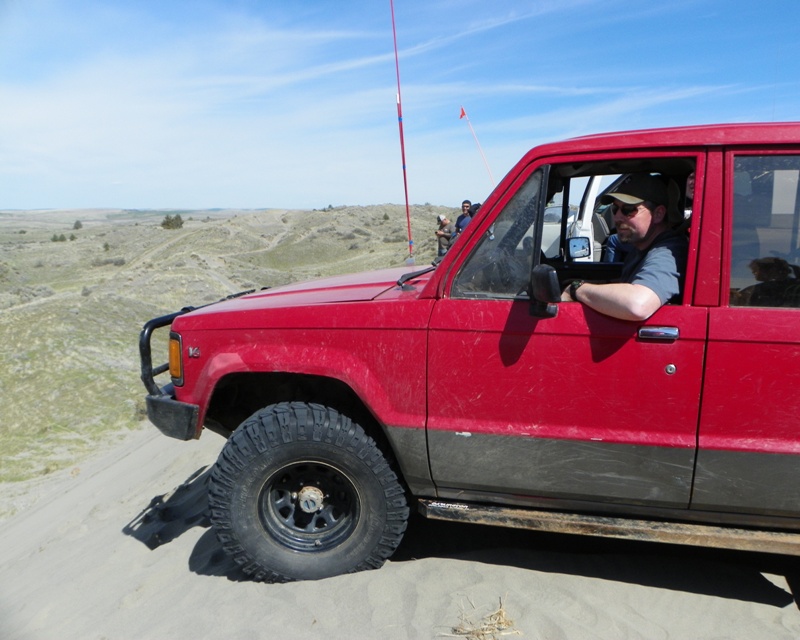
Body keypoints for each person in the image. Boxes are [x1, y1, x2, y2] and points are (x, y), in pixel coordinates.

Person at [562, 173, 688, 321]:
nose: (617, 217)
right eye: (615, 209)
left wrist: (577, 288)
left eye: (628, 210)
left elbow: (638, 305)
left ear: (658, 214)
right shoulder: (640, 247)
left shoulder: (669, 252)